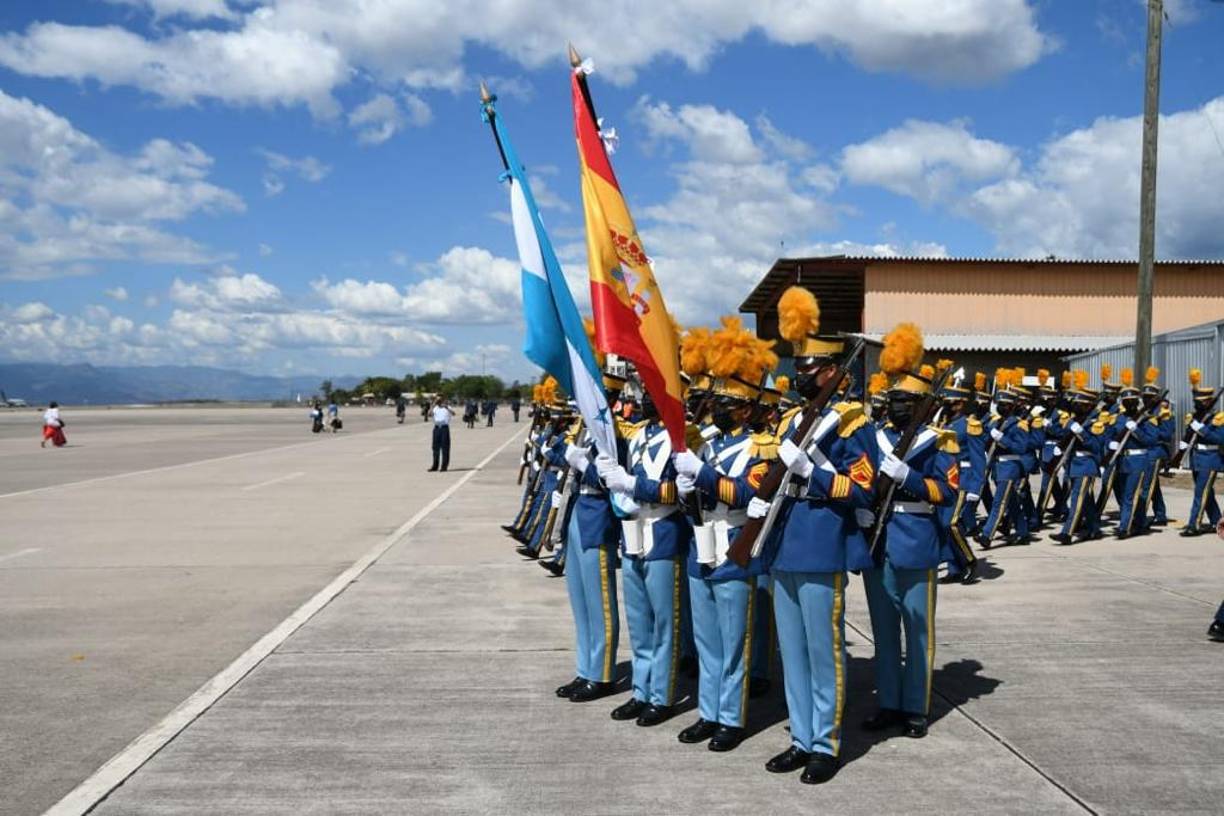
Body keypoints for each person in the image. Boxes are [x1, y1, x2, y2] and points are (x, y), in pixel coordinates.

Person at [753, 286, 877, 785]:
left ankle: (825, 743)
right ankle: (800, 737)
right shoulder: (788, 419)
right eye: (797, 371)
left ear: (831, 374)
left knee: (823, 652)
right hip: (783, 544)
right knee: (793, 653)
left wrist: (816, 472)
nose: (799, 378)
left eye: (808, 372)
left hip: (822, 543)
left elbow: (864, 488)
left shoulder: (851, 422)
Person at [671, 318, 772, 755]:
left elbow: (748, 491)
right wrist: (685, 486)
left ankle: (730, 718)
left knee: (734, 642)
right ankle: (708, 712)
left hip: (733, 543)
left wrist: (705, 475)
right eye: (719, 402)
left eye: (729, 404)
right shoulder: (706, 441)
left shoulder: (759, 446)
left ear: (747, 410)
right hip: (701, 542)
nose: (720, 410)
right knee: (706, 639)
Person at [863, 344, 959, 743]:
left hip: (916, 542)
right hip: (878, 543)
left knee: (918, 632)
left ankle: (916, 707)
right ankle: (889, 701)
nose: (896, 405)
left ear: (921, 403)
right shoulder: (873, 438)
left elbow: (948, 491)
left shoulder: (939, 440)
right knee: (883, 632)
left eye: (904, 400)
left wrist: (910, 479)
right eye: (892, 398)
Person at [597, 388, 690, 727]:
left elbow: (676, 493)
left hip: (664, 532)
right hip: (634, 531)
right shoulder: (640, 434)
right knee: (639, 622)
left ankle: (662, 695)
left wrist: (632, 485)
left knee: (665, 622)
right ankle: (641, 690)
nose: (646, 399)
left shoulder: (683, 437)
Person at [1180, 371, 1224, 536]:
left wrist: (1202, 429)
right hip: (1196, 458)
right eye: (1195, 401)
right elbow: (1188, 436)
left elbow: (1220, 439)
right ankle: (1217, 521)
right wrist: (1181, 449)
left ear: (1208, 402)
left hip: (1211, 459)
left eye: (1199, 402)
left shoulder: (1219, 418)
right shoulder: (1194, 416)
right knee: (1207, 493)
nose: (1196, 404)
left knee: (1200, 493)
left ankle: (1194, 525)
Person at [430, 398, 454, 471]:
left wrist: (446, 407)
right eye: (438, 400)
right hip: (437, 428)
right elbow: (429, 414)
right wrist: (433, 405)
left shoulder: (447, 407)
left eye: (440, 399)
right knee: (435, 448)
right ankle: (435, 465)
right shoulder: (435, 408)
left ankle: (444, 466)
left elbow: (453, 413)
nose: (439, 401)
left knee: (445, 448)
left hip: (444, 428)